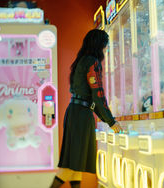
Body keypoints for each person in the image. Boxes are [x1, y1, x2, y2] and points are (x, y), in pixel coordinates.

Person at [50, 29, 123, 188]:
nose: (106, 49)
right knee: (70, 168)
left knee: (76, 166)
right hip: (81, 117)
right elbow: (98, 95)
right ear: (100, 45)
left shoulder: (82, 60)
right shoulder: (92, 62)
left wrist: (107, 119)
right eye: (106, 45)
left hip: (75, 112)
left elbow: (93, 98)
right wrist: (111, 122)